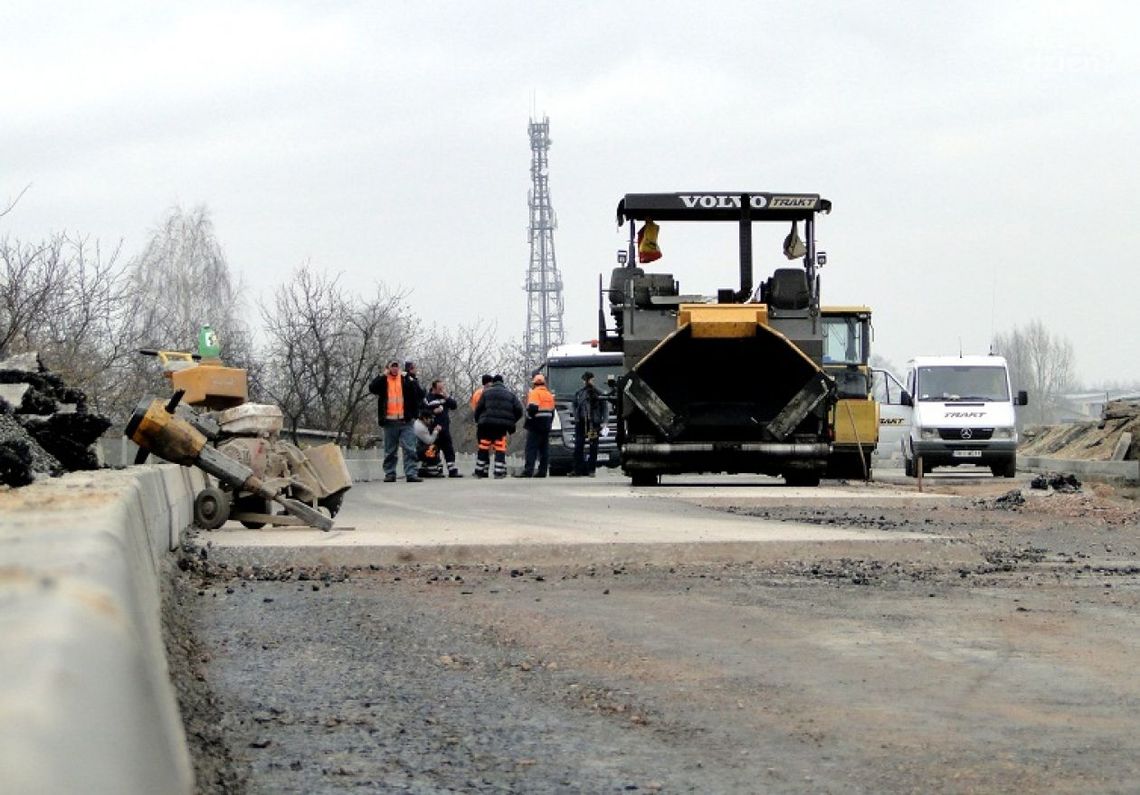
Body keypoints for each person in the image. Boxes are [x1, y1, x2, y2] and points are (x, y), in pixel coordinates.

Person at [368, 359, 426, 482]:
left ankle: (411, 474)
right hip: (389, 421)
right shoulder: (383, 380)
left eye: (396, 366)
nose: (395, 368)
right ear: (388, 368)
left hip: (406, 421)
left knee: (410, 448)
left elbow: (419, 394)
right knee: (390, 450)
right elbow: (372, 388)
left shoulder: (406, 380)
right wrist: (382, 375)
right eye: (392, 366)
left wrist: (410, 378)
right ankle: (390, 473)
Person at [473, 374, 522, 479]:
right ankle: (498, 472)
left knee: (483, 447)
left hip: (486, 425)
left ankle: (479, 472)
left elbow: (478, 409)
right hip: (501, 427)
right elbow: (519, 410)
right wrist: (511, 421)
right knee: (500, 447)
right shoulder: (510, 395)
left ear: (493, 382)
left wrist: (479, 420)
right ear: (502, 382)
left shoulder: (486, 393)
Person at [571, 371, 609, 477]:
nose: (588, 382)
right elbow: (574, 405)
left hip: (593, 424)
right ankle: (577, 469)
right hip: (582, 423)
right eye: (588, 380)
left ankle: (591, 470)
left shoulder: (598, 393)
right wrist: (576, 417)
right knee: (579, 446)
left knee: (593, 446)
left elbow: (605, 407)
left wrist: (604, 422)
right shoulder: (580, 393)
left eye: (590, 380)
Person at [424, 378, 462, 478]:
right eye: (439, 388)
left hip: (445, 428)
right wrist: (433, 412)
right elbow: (423, 412)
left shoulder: (444, 397)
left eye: (443, 387)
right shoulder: (428, 398)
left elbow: (454, 405)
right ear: (433, 388)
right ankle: (434, 470)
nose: (441, 390)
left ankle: (452, 470)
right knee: (433, 450)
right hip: (433, 429)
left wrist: (447, 397)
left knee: (449, 449)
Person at [521, 373, 555, 478]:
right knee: (544, 449)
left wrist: (528, 417)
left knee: (531, 448)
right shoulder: (549, 394)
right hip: (546, 424)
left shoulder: (534, 393)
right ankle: (542, 471)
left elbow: (532, 409)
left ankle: (528, 471)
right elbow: (552, 411)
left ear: (534, 384)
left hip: (536, 424)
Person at [412, 407, 444, 478]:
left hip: (416, 449)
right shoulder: (420, 427)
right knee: (432, 448)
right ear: (424, 418)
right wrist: (436, 431)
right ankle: (432, 471)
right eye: (430, 418)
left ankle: (425, 469)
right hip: (415, 452)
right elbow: (429, 441)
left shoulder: (419, 423)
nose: (431, 420)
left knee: (434, 447)